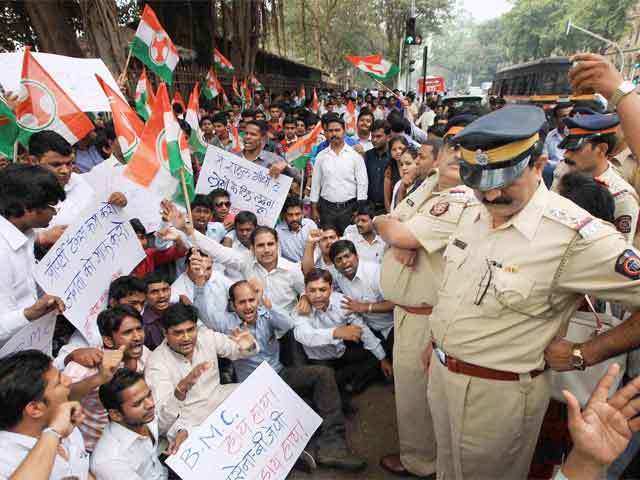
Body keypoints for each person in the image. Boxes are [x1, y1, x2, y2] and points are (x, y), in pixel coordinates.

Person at [374, 102, 640, 479]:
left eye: (505, 183)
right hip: (441, 375)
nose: (492, 196)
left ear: (537, 164)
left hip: (498, 397)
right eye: (481, 183)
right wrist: (436, 344)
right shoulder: (469, 209)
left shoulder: (573, 236)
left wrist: (586, 352)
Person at [215, 279, 368, 472]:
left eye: (251, 300)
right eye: (242, 302)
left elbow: (288, 324)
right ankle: (292, 453)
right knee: (280, 422)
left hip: (280, 374)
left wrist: (265, 303)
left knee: (323, 374)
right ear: (233, 305)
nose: (248, 306)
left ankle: (332, 447)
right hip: (255, 390)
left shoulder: (265, 313)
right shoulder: (225, 324)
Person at [0, 349, 124, 479]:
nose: (69, 380)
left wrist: (100, 378)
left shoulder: (65, 423)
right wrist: (53, 433)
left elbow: (81, 470)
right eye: (59, 382)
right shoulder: (5, 461)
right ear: (35, 409)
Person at [144, 303, 257, 439]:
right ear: (165, 332)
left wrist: (248, 346)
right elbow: (161, 423)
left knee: (255, 391)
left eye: (190, 330)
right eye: (178, 333)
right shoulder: (156, 363)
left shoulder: (206, 337)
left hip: (221, 400)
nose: (186, 338)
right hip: (190, 421)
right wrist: (179, 392)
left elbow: (237, 350)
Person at [294, 269, 391, 403]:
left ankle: (348, 382)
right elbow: (302, 335)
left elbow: (362, 328)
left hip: (342, 350)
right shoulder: (302, 308)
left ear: (331, 289)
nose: (317, 295)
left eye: (322, 290)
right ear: (305, 290)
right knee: (327, 386)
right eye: (312, 290)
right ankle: (341, 386)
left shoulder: (341, 301)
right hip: (321, 358)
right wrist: (336, 332)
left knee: (379, 353)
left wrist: (383, 359)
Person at [63, 305, 150, 452]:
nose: (137, 337)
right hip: (93, 449)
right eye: (128, 332)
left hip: (133, 442)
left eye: (139, 329)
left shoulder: (144, 354)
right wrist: (100, 378)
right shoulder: (84, 366)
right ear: (108, 341)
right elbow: (61, 398)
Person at [0, 164, 66, 347]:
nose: (54, 213)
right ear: (28, 208)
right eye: (51, 206)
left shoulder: (27, 235)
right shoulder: (2, 253)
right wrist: (30, 313)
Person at [558, 113, 640, 244]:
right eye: (567, 148)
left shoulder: (621, 197)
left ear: (601, 149)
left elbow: (618, 250)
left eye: (575, 149)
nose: (566, 154)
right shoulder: (565, 170)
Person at [28, 131, 127, 230]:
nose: (65, 171)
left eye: (69, 163)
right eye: (56, 165)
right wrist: (42, 240)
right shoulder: (22, 197)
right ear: (34, 161)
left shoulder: (81, 181)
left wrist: (116, 204)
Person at [92, 369, 179, 480]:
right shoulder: (110, 462)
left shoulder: (142, 417)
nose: (151, 404)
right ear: (116, 414)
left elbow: (161, 423)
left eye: (149, 395)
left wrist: (181, 431)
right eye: (138, 403)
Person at [329, 240, 394, 356]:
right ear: (334, 266)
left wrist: (365, 307)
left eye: (347, 256)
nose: (344, 262)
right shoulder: (339, 278)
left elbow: (395, 303)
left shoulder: (374, 272)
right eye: (339, 260)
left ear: (357, 256)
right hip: (369, 329)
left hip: (392, 326)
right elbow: (316, 281)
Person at [310, 114, 368, 234]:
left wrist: (359, 208)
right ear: (326, 133)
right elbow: (315, 185)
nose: (334, 134)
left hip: (350, 209)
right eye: (330, 131)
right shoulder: (321, 156)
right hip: (327, 209)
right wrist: (314, 209)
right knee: (329, 242)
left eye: (337, 130)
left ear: (344, 131)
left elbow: (362, 183)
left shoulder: (354, 156)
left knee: (349, 242)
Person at [363, 120, 392, 215]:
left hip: (388, 209)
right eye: (372, 136)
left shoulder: (394, 157)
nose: (374, 140)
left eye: (378, 136)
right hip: (369, 208)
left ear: (388, 137)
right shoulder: (367, 156)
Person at [276, 197, 318, 262]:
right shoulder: (277, 232)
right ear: (284, 215)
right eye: (290, 215)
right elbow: (279, 257)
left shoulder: (310, 225)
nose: (294, 218)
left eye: (297, 214)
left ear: (302, 213)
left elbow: (318, 249)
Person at [221, 210, 258, 281]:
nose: (244, 233)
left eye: (248, 230)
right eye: (241, 230)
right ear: (235, 229)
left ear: (255, 228)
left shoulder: (263, 244)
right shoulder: (229, 245)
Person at [142, 272, 173, 351]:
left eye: (165, 290)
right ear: (145, 296)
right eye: (154, 292)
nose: (161, 295)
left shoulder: (180, 309)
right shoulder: (143, 325)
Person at [383, 135, 410, 212]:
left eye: (400, 148)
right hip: (394, 209)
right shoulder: (389, 169)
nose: (398, 151)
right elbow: (387, 197)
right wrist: (390, 212)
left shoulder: (414, 165)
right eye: (394, 149)